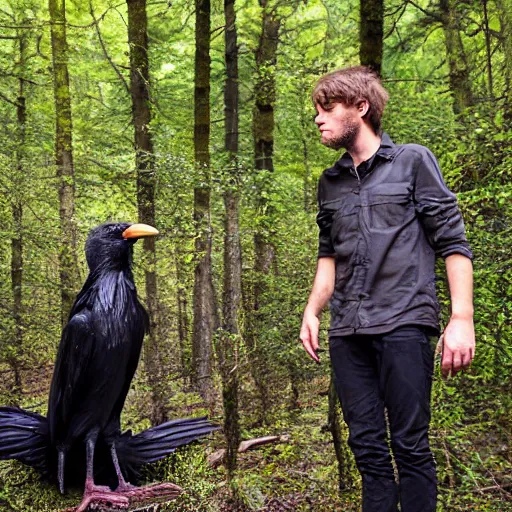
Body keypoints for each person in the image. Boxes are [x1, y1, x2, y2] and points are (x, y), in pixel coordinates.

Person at [299, 66, 475, 512]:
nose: (319, 119)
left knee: (410, 445)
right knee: (368, 450)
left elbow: (453, 243)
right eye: (316, 111)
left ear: (361, 108)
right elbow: (329, 255)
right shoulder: (330, 182)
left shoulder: (413, 161)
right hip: (348, 333)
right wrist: (313, 311)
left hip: (404, 323)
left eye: (328, 109)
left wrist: (461, 319)